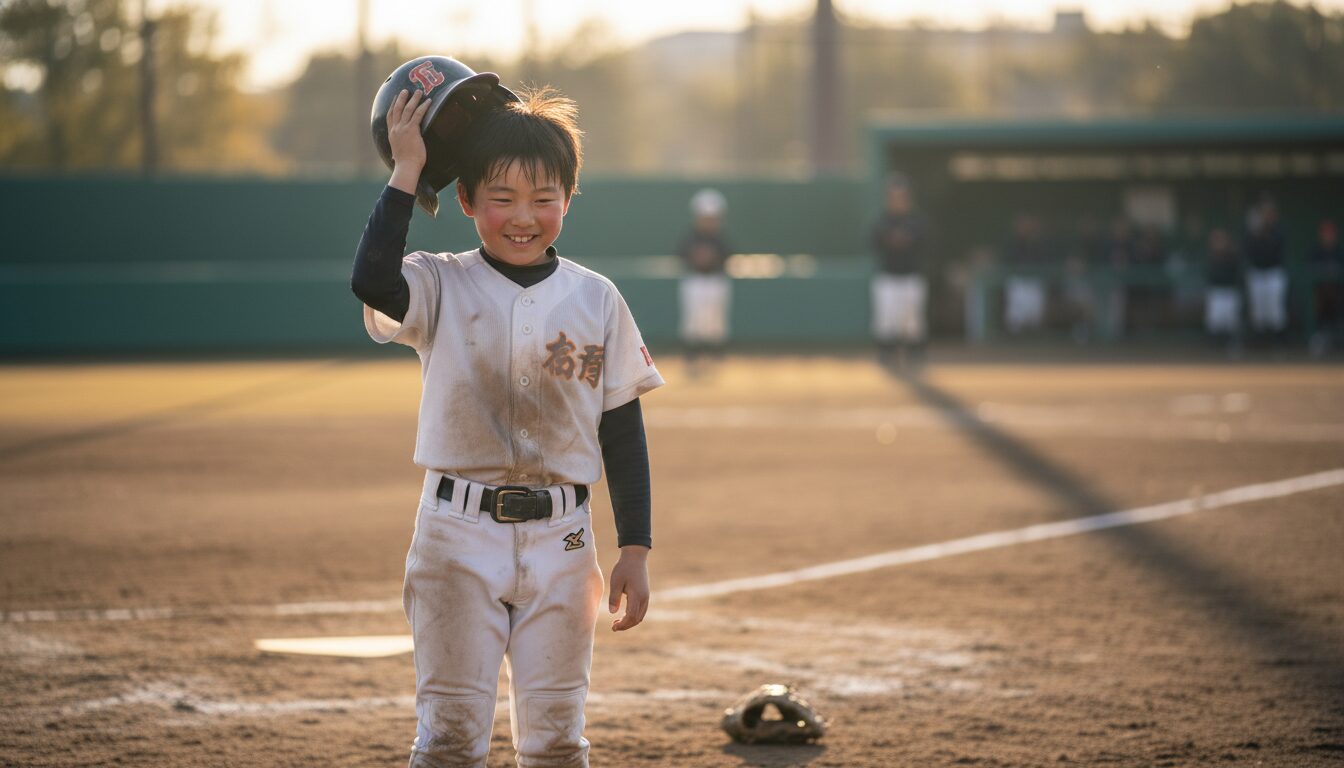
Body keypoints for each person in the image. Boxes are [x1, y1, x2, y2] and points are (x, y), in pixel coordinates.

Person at [351, 77, 664, 767]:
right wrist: (407, 170)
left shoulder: (596, 298)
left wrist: (635, 546)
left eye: (544, 199)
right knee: (452, 740)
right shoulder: (437, 282)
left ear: (568, 201)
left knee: (556, 741)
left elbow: (622, 428)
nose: (523, 216)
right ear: (465, 201)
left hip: (563, 538)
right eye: (501, 198)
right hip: (456, 537)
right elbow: (374, 283)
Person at [869, 172, 931, 370]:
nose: (898, 200)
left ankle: (916, 355)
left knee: (913, 320)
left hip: (912, 276)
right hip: (888, 276)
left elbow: (927, 243)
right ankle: (886, 354)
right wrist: (891, 239)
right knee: (886, 318)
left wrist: (906, 239)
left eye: (901, 196)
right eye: (894, 196)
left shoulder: (918, 220)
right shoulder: (882, 220)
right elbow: (873, 241)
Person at [677, 188, 733, 377]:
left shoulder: (720, 239)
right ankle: (692, 357)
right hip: (695, 281)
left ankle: (715, 358)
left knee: (716, 322)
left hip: (716, 281)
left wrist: (712, 259)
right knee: (693, 321)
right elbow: (682, 256)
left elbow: (727, 256)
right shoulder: (691, 238)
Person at [1244, 195, 1288, 341]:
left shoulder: (1278, 230)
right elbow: (1249, 251)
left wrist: (1263, 235)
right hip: (1257, 273)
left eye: (1269, 212)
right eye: (1264, 212)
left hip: (1274, 273)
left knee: (1275, 309)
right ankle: (1260, 342)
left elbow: (1276, 250)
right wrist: (1256, 233)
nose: (1267, 215)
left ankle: (1278, 341)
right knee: (1258, 311)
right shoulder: (1253, 232)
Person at [1203, 228, 1243, 358]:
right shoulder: (1211, 256)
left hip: (1230, 291)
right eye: (1216, 240)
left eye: (1221, 239)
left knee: (1231, 321)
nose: (1219, 243)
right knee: (1215, 321)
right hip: (1216, 292)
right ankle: (1215, 347)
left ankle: (1232, 345)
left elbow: (1236, 273)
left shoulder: (1232, 255)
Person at [1310, 219, 1344, 357]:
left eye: (1330, 234)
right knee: (1322, 299)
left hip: (1339, 294)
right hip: (1320, 295)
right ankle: (1320, 338)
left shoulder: (1340, 252)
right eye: (1326, 234)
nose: (1328, 237)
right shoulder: (1316, 252)